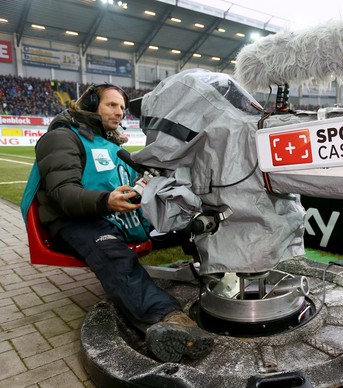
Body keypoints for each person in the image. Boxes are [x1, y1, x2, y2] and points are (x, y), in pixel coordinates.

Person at [31, 83, 213, 363]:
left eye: (123, 108)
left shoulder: (109, 142)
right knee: (115, 255)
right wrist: (105, 201)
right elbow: (62, 194)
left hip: (114, 214)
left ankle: (216, 277)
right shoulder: (61, 138)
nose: (119, 113)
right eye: (112, 105)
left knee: (186, 224)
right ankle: (166, 320)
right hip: (74, 220)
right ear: (91, 104)